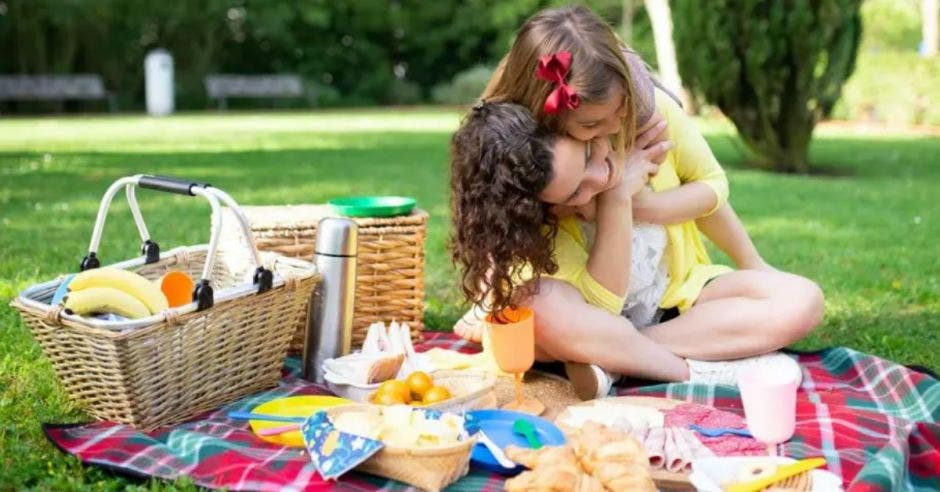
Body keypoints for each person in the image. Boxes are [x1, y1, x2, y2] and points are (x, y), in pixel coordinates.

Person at [450, 5, 824, 399]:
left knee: (801, 299)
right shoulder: (535, 168)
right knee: (536, 313)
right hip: (590, 311)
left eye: (617, 114)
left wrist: (638, 203)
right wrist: (615, 198)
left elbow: (712, 189)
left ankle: (614, 358)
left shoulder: (646, 118)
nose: (611, 131)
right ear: (547, 119)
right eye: (591, 131)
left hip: (672, 299)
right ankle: (690, 367)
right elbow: (597, 307)